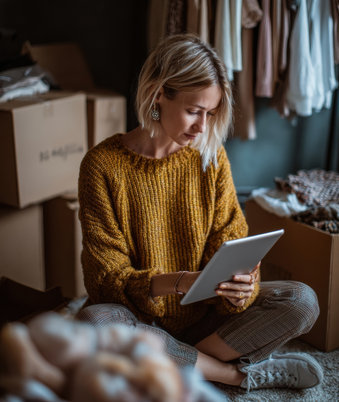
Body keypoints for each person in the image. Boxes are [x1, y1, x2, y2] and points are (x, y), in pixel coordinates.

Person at [77, 34, 323, 392]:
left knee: (302, 301)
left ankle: (176, 362)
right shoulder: (102, 166)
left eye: (211, 113)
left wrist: (243, 288)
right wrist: (178, 281)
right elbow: (106, 279)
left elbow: (231, 239)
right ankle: (233, 375)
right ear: (158, 93)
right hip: (137, 319)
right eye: (194, 111)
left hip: (204, 320)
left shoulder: (209, 156)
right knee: (93, 324)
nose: (202, 127)